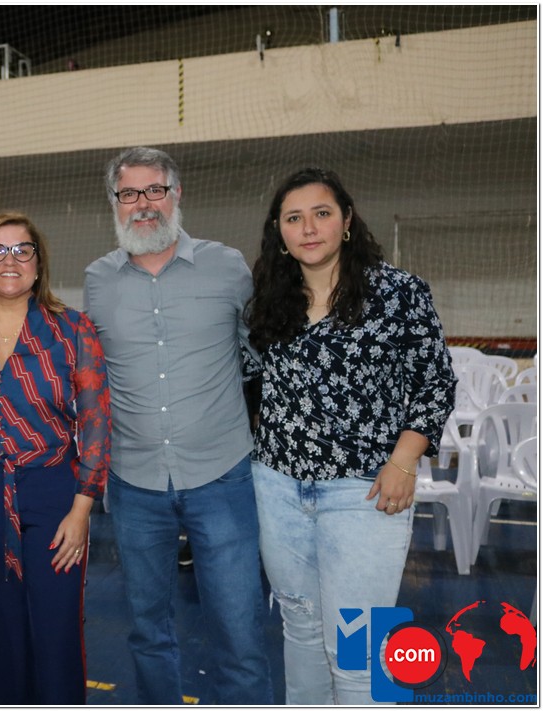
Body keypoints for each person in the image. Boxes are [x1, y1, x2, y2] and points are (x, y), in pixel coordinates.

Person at [246, 167, 456, 704]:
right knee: (300, 630)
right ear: (279, 232)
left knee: (358, 647)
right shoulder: (269, 298)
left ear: (346, 221)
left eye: (321, 213)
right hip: (278, 489)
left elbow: (435, 383)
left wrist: (404, 461)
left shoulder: (398, 292)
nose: (308, 228)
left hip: (363, 492)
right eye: (294, 218)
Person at [83, 146, 272, 705]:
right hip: (134, 482)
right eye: (129, 193)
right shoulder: (97, 281)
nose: (143, 203)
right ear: (114, 202)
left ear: (177, 194)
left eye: (155, 190)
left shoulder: (228, 266)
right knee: (148, 632)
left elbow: (261, 354)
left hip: (223, 476)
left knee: (239, 633)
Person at [0, 212, 111, 704]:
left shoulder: (72, 329)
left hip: (54, 493)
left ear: (39, 265)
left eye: (23, 250)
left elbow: (96, 423)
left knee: (57, 632)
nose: (10, 260)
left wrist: (82, 511)